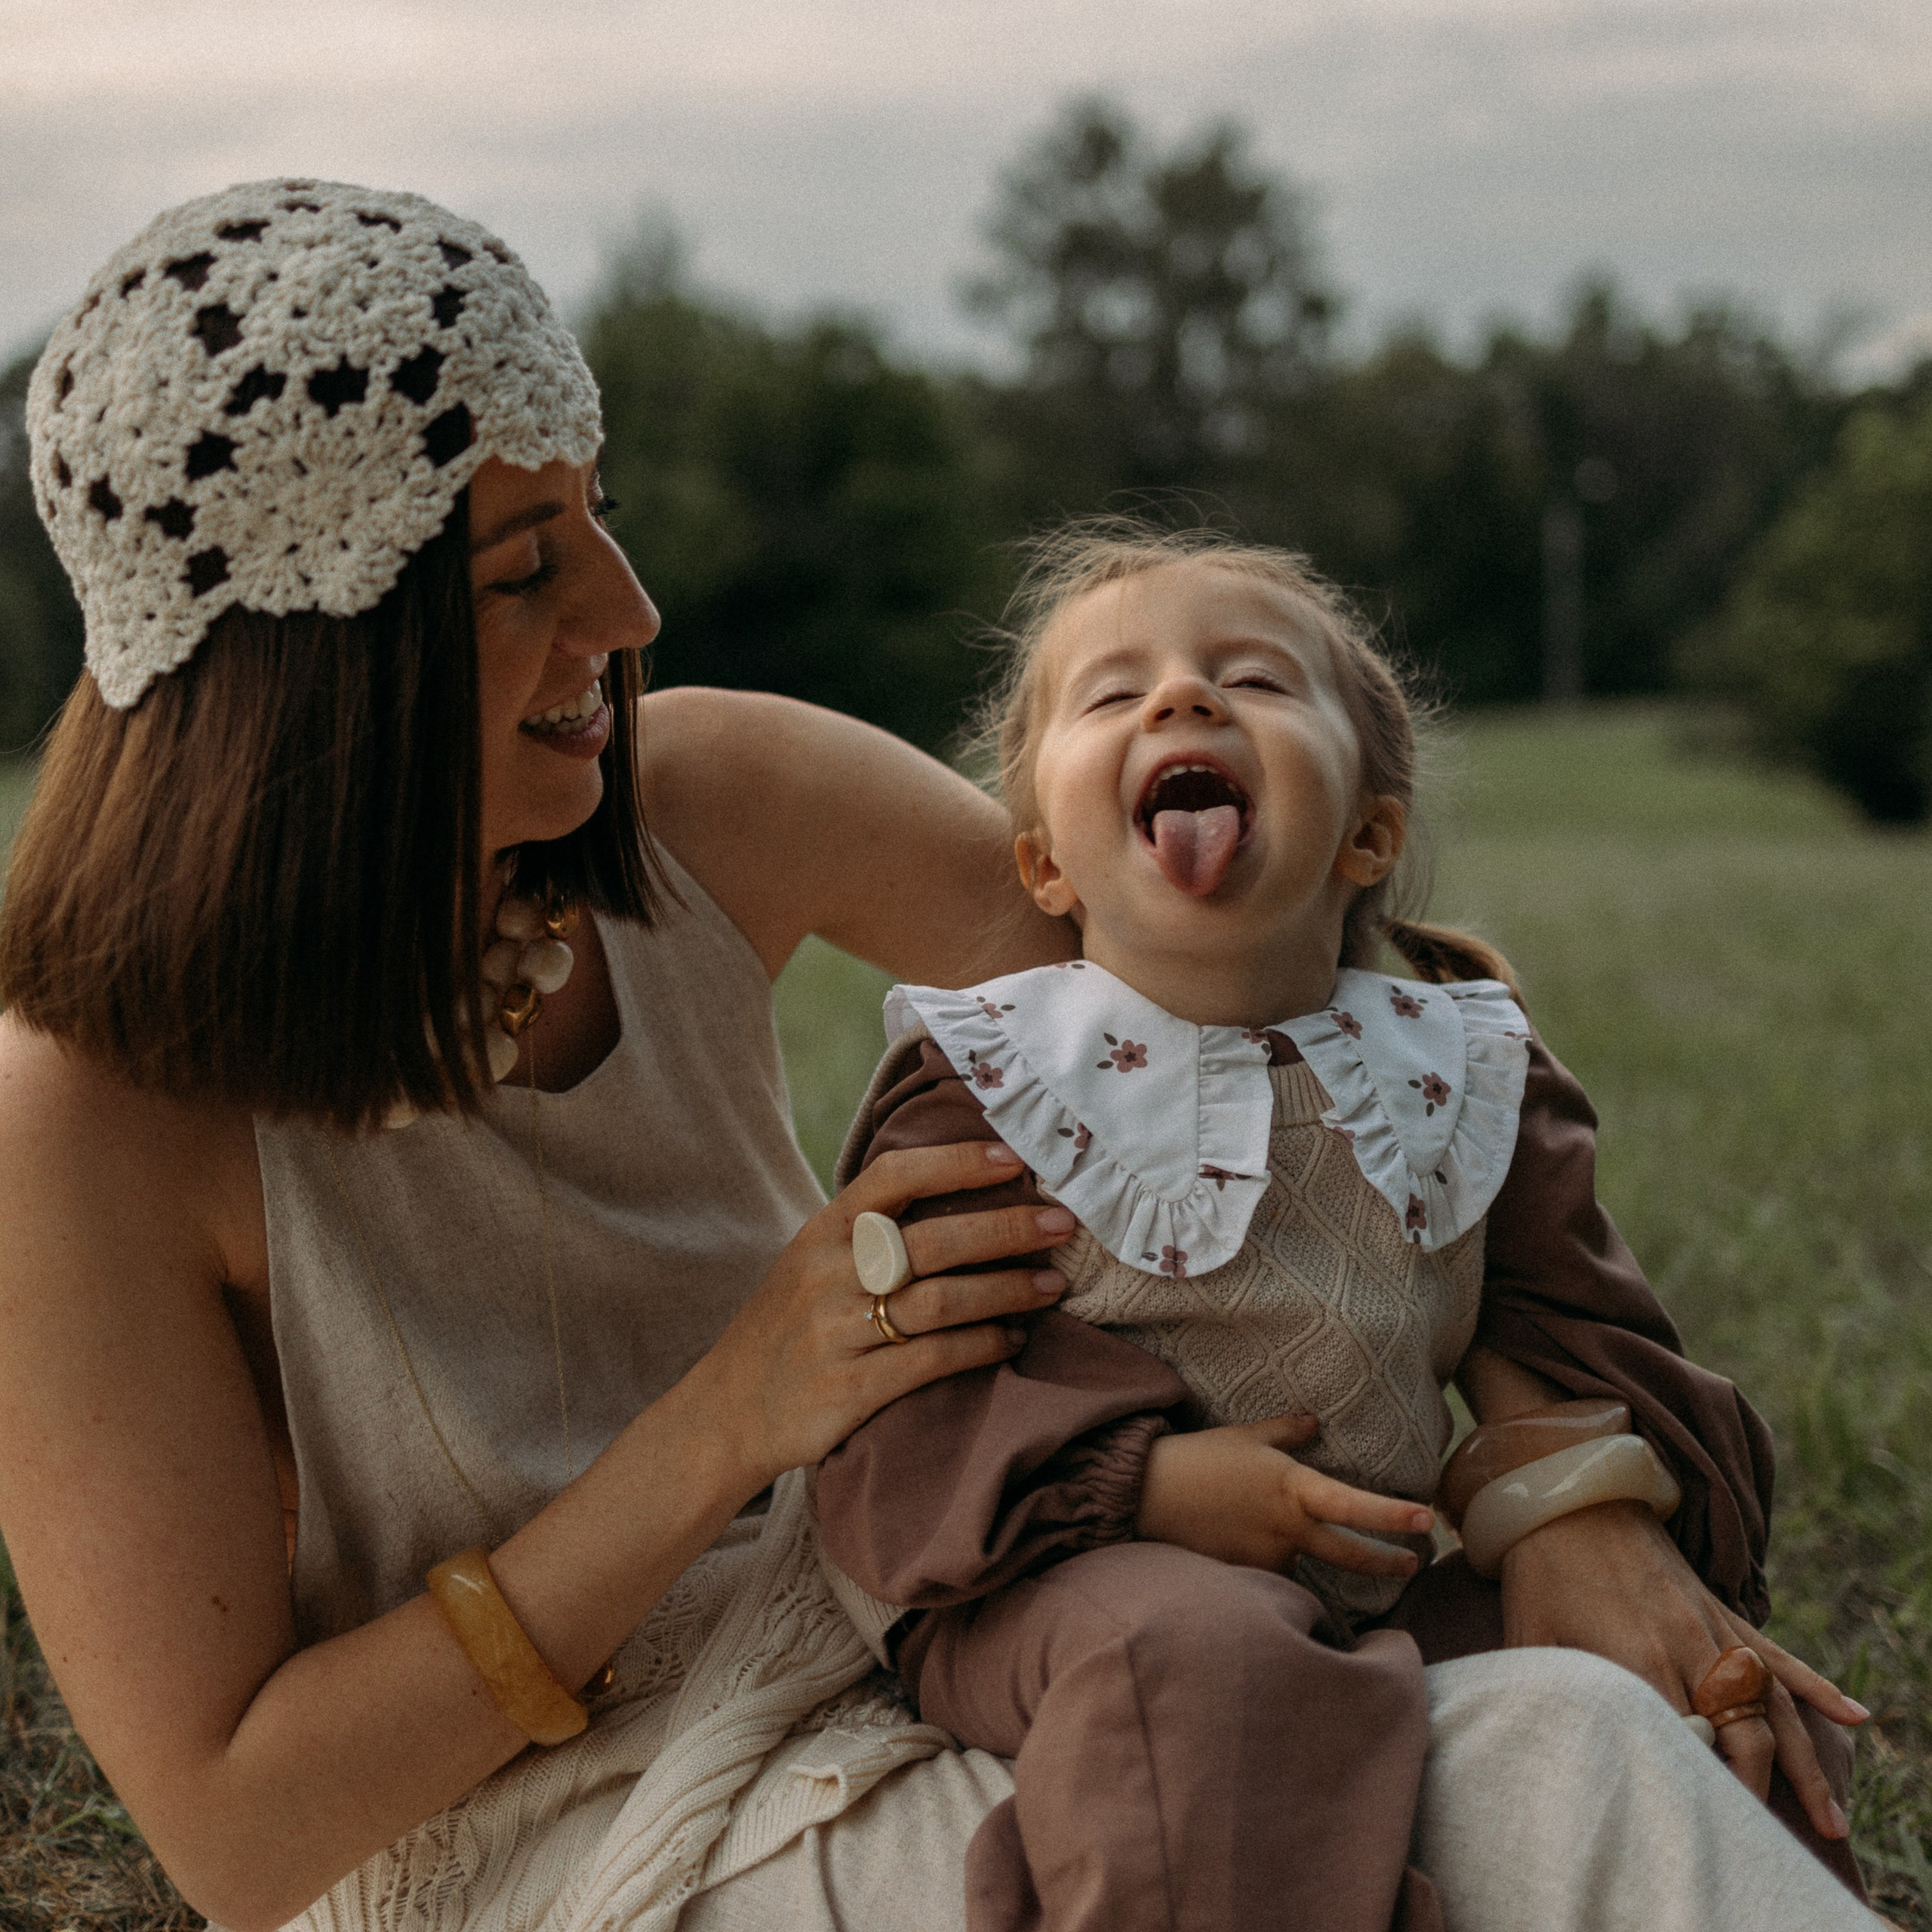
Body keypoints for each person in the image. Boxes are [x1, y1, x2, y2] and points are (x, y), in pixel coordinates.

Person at [0, 181, 1876, 1932]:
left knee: (1583, 1729)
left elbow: (1283, 1025)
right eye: (520, 569)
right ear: (315, 657)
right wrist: (730, 1419)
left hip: (957, 1622)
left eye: (600, 506)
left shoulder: (711, 798)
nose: (628, 611)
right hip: (559, 1833)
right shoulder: (71, 1122)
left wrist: (1569, 1486)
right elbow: (238, 1831)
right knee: (1443, 1792)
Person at [816, 523, 1878, 1932]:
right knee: (1205, 1665)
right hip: (1054, 1571)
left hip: (1373, 1586)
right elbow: (898, 1391)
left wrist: (1580, 1511)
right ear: (1048, 862)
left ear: (1370, 831)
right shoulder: (998, 1075)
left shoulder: (1463, 1070)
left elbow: (1588, 1337)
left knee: (1683, 1682)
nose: (1182, 700)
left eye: (1251, 680)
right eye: (1113, 690)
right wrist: (1145, 1488)